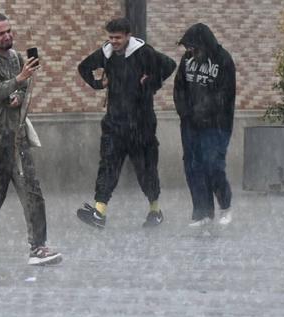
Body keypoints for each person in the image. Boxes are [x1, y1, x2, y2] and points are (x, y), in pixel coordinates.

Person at [0, 12, 62, 265]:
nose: (7, 36)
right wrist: (19, 80)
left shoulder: (17, 57)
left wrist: (19, 90)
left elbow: (21, 88)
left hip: (16, 135)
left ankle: (38, 247)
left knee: (32, 191)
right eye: (1, 33)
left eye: (9, 31)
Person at [76, 17, 176, 229]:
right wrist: (98, 84)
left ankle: (155, 211)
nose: (114, 42)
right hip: (114, 123)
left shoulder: (143, 52)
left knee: (146, 170)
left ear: (128, 36)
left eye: (118, 38)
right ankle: (99, 212)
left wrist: (149, 83)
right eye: (111, 37)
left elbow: (169, 65)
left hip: (142, 124)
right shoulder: (107, 53)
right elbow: (84, 67)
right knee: (108, 166)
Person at [173, 23, 236, 227]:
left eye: (192, 47)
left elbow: (225, 95)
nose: (189, 51)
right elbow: (179, 87)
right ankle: (202, 212)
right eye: (187, 48)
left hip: (216, 125)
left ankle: (225, 206)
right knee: (193, 166)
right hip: (190, 124)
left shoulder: (223, 60)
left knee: (213, 166)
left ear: (204, 44)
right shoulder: (187, 59)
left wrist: (204, 111)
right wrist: (185, 112)